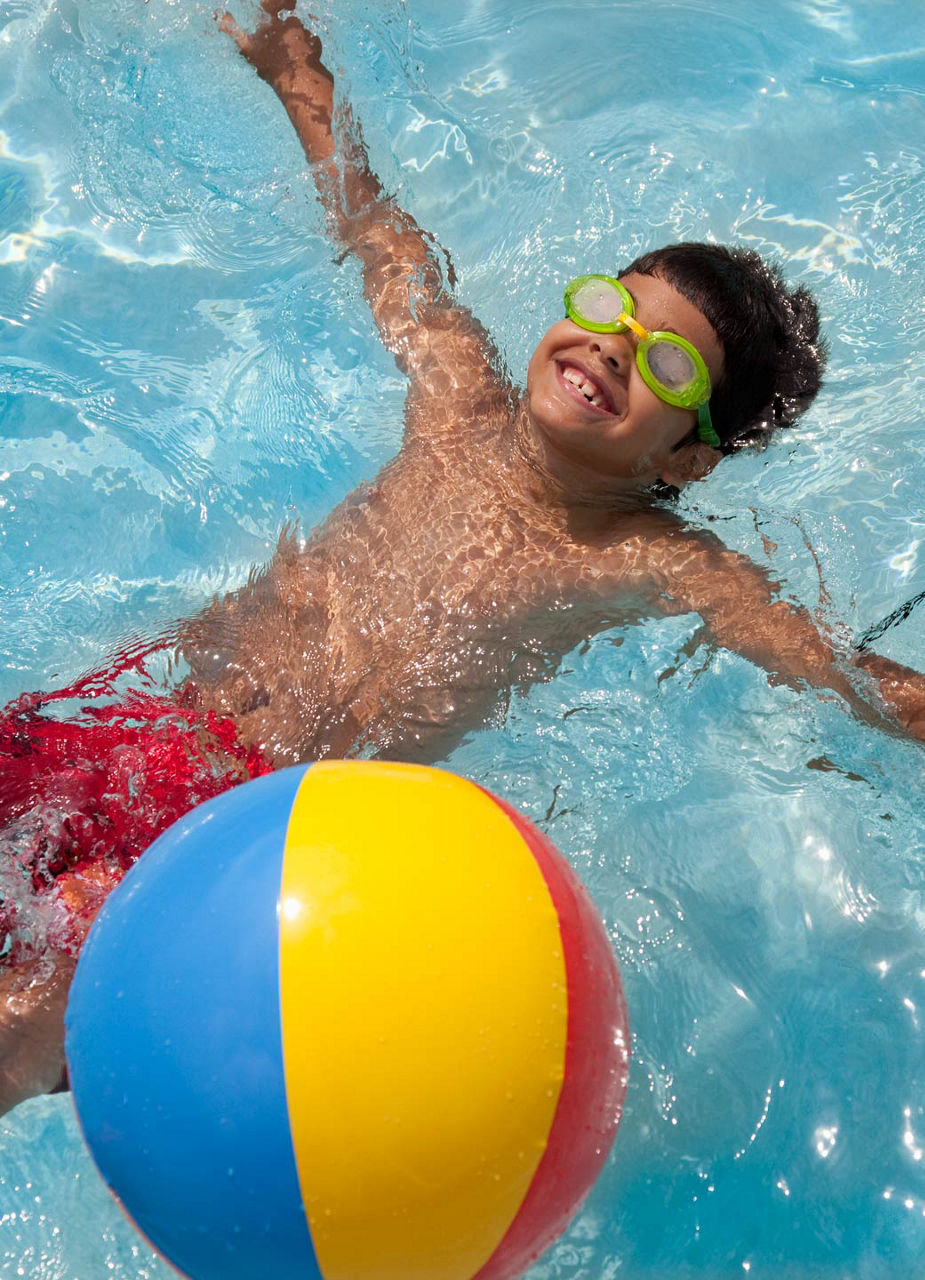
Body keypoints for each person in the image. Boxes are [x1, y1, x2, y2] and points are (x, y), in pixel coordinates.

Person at [1, 0, 924, 1116]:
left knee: (26, 1015)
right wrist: (295, 72)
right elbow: (375, 231)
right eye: (612, 307)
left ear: (687, 460)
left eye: (668, 363)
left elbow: (829, 668)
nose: (610, 348)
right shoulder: (453, 393)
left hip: (253, 833)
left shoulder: (654, 555)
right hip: (149, 727)